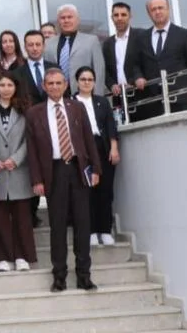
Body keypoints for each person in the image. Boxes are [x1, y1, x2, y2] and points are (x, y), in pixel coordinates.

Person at [25, 69, 101, 293]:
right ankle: (59, 276)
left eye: (58, 83)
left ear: (66, 84)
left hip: (78, 169)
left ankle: (84, 275)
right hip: (54, 171)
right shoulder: (34, 113)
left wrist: (96, 169)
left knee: (82, 224)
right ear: (44, 86)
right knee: (57, 226)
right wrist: (37, 179)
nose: (55, 87)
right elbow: (32, 150)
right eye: (50, 83)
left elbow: (88, 139)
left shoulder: (77, 107)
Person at [0, 73, 36, 272]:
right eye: (2, 85)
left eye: (10, 85)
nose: (6, 89)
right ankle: (2, 258)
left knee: (22, 217)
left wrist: (16, 158)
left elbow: (30, 139)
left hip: (18, 170)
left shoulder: (25, 109)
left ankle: (23, 256)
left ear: (16, 87)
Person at [72, 66, 120, 247]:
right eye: (83, 79)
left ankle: (105, 230)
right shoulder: (70, 103)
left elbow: (110, 126)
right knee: (87, 193)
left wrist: (114, 148)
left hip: (102, 147)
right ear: (77, 82)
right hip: (82, 150)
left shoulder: (102, 101)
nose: (86, 83)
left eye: (90, 79)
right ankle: (91, 231)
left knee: (105, 191)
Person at [133, 0, 187, 117]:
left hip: (182, 98)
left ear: (168, 9)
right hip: (153, 101)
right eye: (153, 9)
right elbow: (135, 64)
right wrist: (138, 76)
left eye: (160, 8)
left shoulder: (184, 34)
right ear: (149, 13)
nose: (157, 12)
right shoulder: (141, 38)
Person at [44, 5, 107, 97]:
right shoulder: (48, 43)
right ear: (58, 21)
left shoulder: (91, 41)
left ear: (77, 20)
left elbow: (99, 71)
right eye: (62, 18)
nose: (66, 20)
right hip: (56, 95)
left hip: (83, 95)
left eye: (70, 17)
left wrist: (97, 98)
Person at [104, 3, 147, 105]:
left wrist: (137, 78)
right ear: (112, 18)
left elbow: (149, 61)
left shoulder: (142, 35)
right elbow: (105, 70)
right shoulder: (107, 43)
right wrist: (112, 85)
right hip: (119, 97)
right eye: (116, 15)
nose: (119, 18)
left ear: (130, 16)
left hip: (142, 93)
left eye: (123, 15)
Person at [18, 30, 48, 106]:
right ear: (25, 47)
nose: (34, 48)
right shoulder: (17, 73)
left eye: (38, 44)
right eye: (30, 45)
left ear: (44, 46)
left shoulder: (55, 68)